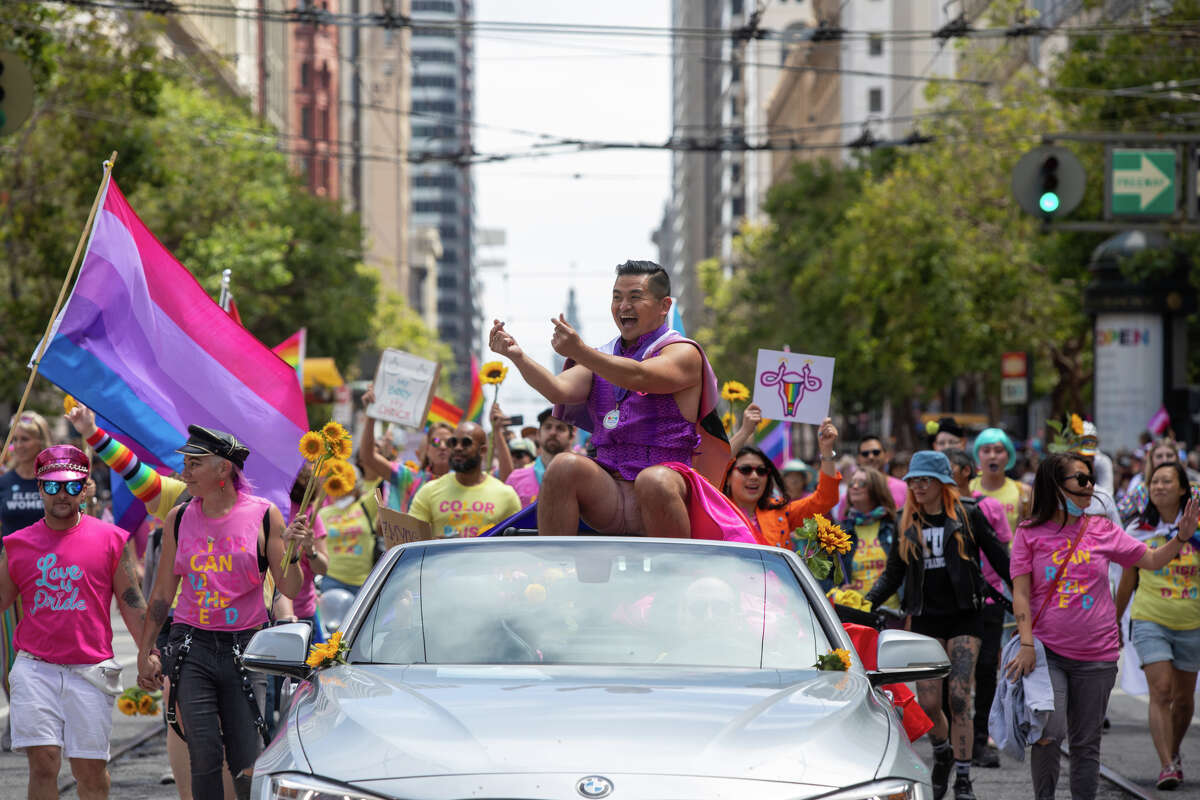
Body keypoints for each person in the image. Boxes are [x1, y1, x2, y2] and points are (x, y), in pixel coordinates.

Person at [1006, 453, 1197, 800]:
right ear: (1055, 486)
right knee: (1049, 733)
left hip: (1098, 654)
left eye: (1091, 478)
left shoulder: (1102, 528)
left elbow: (1150, 560)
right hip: (1047, 652)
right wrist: (1027, 644)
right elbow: (1020, 593)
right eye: (1080, 480)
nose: (1090, 486)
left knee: (1086, 742)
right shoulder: (1029, 533)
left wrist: (1180, 539)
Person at [488, 260, 726, 537]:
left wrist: (581, 351)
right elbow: (557, 389)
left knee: (654, 480)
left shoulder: (683, 353)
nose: (623, 306)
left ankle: (673, 574)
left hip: (666, 488)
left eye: (635, 297)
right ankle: (555, 573)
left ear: (664, 306)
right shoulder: (604, 355)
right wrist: (517, 356)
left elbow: (639, 376)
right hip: (609, 493)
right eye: (617, 297)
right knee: (563, 466)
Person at [136, 426, 307, 800]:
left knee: (246, 760)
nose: (185, 470)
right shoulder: (178, 519)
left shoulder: (265, 516)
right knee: (204, 753)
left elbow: (289, 588)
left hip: (246, 651)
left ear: (224, 469)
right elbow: (163, 593)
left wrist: (295, 553)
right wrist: (146, 650)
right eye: (185, 462)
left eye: (195, 463)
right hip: (191, 648)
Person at [0, 445, 147, 800]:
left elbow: (131, 602)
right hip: (36, 668)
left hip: (91, 669)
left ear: (84, 488)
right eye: (51, 486)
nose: (61, 494)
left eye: (69, 486)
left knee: (89, 771)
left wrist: (150, 651)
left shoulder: (112, 539)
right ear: (39, 488)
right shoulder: (16, 545)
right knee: (44, 762)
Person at [864, 450, 1010, 800]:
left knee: (959, 697)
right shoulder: (906, 520)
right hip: (926, 618)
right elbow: (894, 573)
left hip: (965, 616)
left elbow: (1002, 561)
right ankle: (943, 751)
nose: (917, 486)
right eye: (913, 480)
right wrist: (866, 602)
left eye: (924, 480)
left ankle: (963, 778)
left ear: (942, 483)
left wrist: (1025, 599)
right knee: (929, 704)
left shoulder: (969, 515)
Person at [1115, 461, 1200, 790]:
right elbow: (1127, 582)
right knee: (1161, 691)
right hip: (1150, 618)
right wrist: (1114, 622)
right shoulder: (1137, 530)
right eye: (1154, 482)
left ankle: (1174, 751)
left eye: (1167, 481)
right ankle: (1166, 765)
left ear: (1183, 488)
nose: (1159, 486)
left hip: (1191, 621)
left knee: (1184, 700)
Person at [946, 448, 1013, 770]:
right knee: (951, 672)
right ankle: (952, 738)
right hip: (952, 603)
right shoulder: (935, 510)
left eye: (947, 468)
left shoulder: (988, 507)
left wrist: (1022, 596)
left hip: (989, 601)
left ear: (964, 471)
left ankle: (981, 737)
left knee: (987, 669)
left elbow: (1001, 554)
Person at [0, 411, 54, 745]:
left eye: (26, 439)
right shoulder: (3, 483)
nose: (19, 445)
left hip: (50, 579)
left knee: (48, 653)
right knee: (9, 654)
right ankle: (19, 716)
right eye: (15, 439)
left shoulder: (52, 479)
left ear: (41, 442)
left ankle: (48, 717)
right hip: (10, 578)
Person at [718, 421, 840, 548]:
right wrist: (744, 432)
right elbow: (714, 468)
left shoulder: (779, 511)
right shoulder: (714, 510)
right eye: (745, 470)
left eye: (761, 471)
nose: (754, 476)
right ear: (728, 477)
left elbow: (826, 499)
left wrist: (826, 451)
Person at [408, 422, 522, 539]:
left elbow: (515, 546)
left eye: (466, 443)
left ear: (482, 451)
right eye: (453, 442)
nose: (457, 447)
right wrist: (435, 544)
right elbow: (410, 538)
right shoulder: (428, 491)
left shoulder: (506, 495)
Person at [359, 385, 452, 513]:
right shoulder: (409, 478)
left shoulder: (466, 482)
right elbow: (368, 457)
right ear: (427, 450)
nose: (442, 446)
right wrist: (371, 415)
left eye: (449, 442)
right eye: (435, 441)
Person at [836, 467, 899, 607]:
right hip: (855, 615)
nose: (855, 487)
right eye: (852, 483)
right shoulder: (839, 533)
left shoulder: (895, 527)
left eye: (862, 483)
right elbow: (825, 577)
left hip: (892, 613)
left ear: (877, 489)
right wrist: (837, 590)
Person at [318, 463, 379, 598]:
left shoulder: (366, 506)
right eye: (338, 484)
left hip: (365, 582)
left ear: (356, 487)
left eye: (348, 484)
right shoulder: (322, 514)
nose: (343, 490)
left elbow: (379, 479)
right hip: (332, 580)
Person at [505, 408, 575, 508]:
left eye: (560, 428)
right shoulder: (515, 478)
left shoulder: (583, 478)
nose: (553, 432)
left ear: (571, 437)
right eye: (548, 427)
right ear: (538, 434)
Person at [1118, 438, 1200, 522]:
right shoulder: (1141, 491)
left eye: (1169, 455)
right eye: (1159, 456)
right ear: (1151, 461)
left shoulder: (1194, 490)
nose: (1165, 460)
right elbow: (1117, 514)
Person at [970, 427, 1030, 534]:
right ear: (978, 455)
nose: (992, 456)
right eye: (986, 451)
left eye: (998, 451)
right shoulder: (966, 490)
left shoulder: (1024, 492)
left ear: (1008, 455)